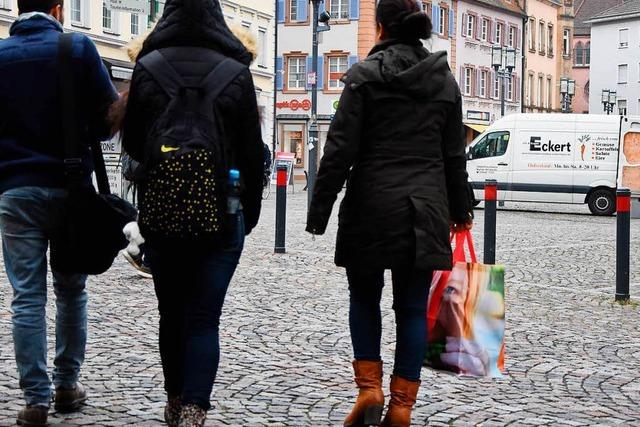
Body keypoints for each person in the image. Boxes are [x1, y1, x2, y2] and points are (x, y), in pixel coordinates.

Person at [306, 0, 474, 425]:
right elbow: (455, 157)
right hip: (425, 210)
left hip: (370, 205)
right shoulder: (445, 82)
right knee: (412, 310)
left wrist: (319, 211)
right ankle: (401, 407)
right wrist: (462, 210)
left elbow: (339, 151)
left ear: (379, 27)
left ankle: (369, 390)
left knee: (364, 298)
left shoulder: (364, 77)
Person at [121, 0, 263, 426]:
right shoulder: (235, 71)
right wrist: (247, 216)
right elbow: (252, 154)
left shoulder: (149, 67)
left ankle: (174, 395)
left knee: (172, 313)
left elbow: (131, 145)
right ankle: (194, 408)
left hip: (162, 215)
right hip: (221, 215)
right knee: (204, 316)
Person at [0, 0, 118, 425]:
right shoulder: (77, 48)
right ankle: (67, 386)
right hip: (71, 190)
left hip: (16, 190)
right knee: (71, 290)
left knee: (26, 296)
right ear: (58, 8)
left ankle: (36, 399)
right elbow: (108, 121)